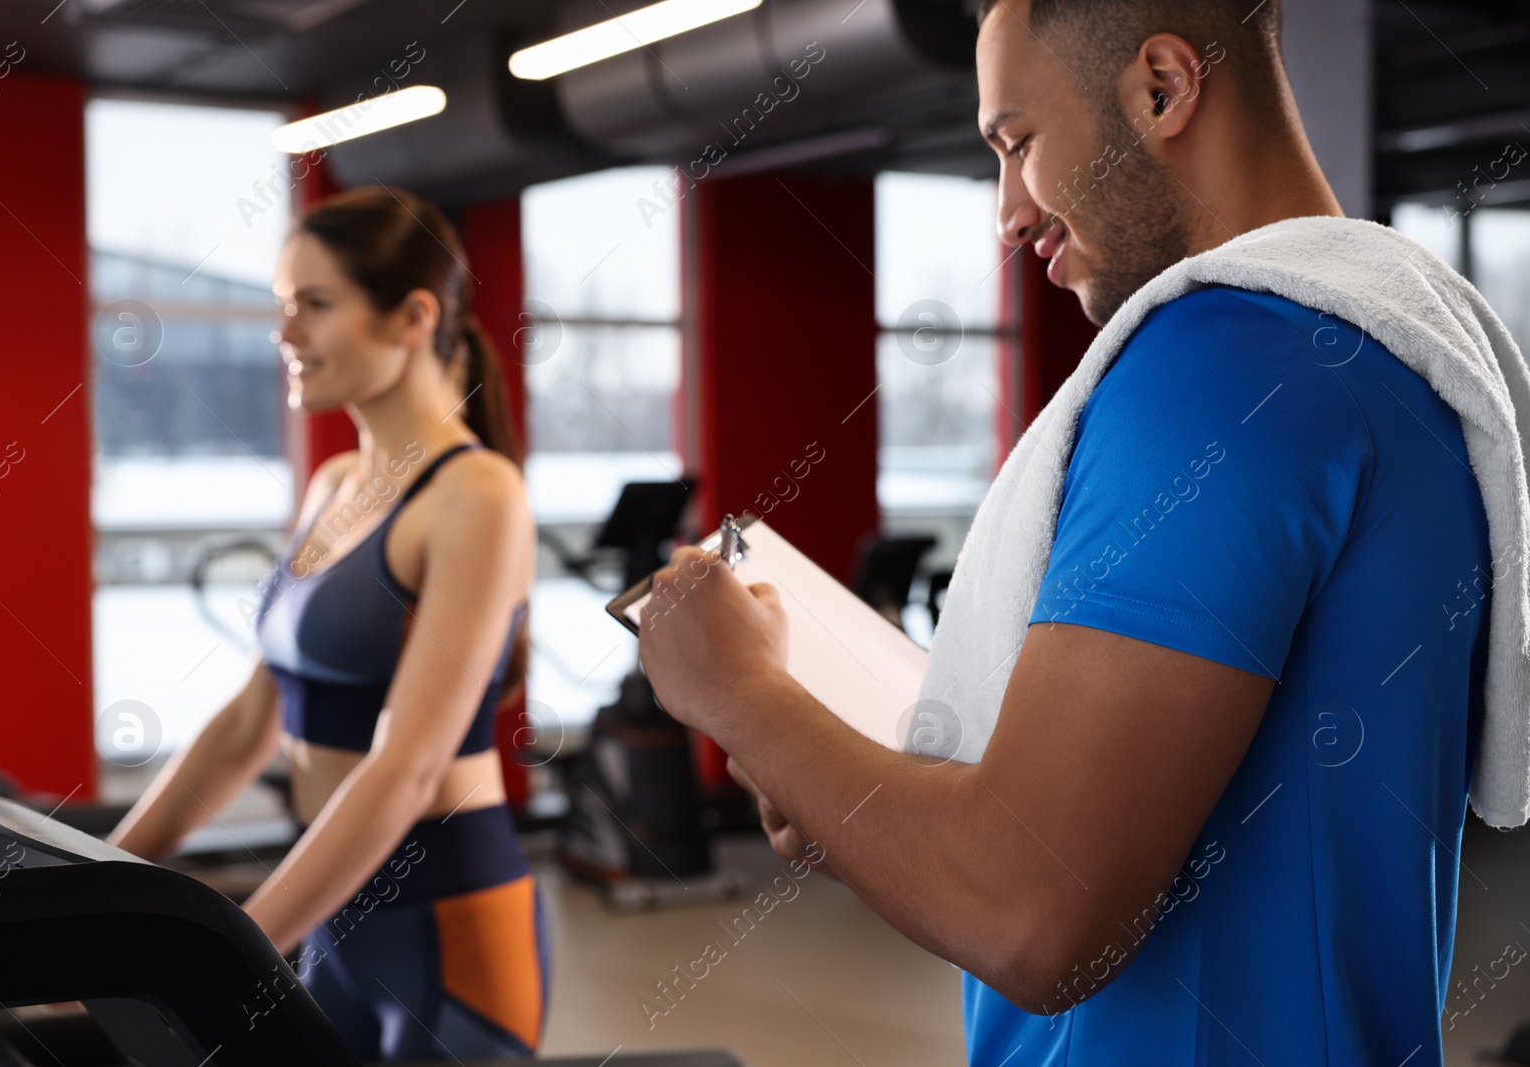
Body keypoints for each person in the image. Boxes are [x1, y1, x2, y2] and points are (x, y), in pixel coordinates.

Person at [634, 0, 1530, 1063]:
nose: (1009, 214)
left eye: (1018, 143)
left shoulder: (1219, 367)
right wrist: (850, 800)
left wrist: (739, 691)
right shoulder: (1389, 358)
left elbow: (1030, 909)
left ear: (1161, 87)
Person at [108, 186, 548, 1062]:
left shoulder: (477, 495)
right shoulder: (336, 485)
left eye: (316, 304)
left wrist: (239, 943)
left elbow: (410, 766)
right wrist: (105, 874)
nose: (286, 333)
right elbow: (248, 719)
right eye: (282, 305)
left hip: (448, 922)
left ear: (413, 317)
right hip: (334, 911)